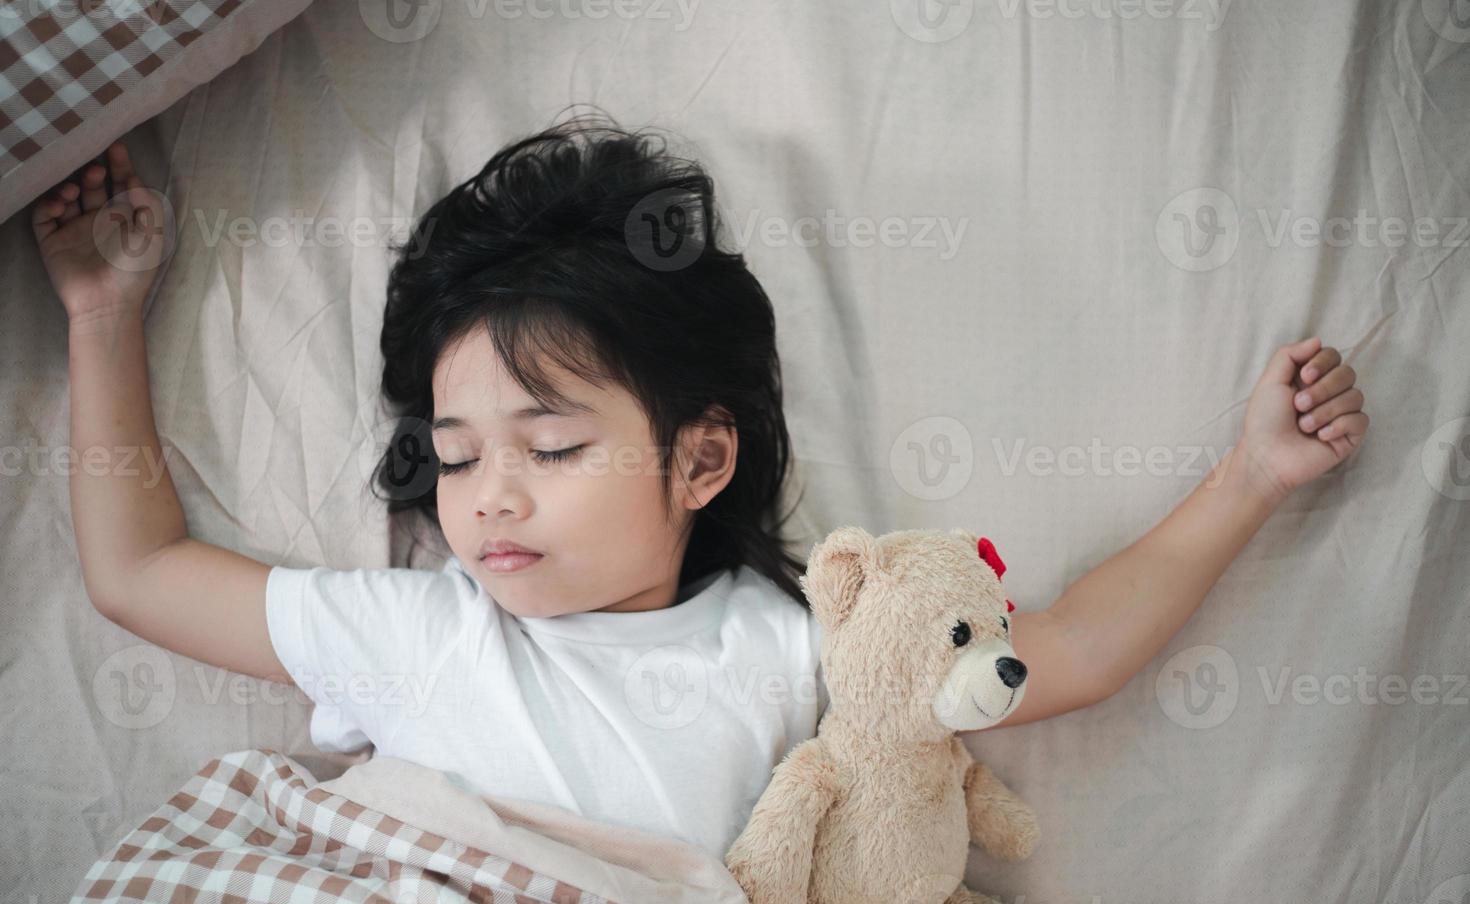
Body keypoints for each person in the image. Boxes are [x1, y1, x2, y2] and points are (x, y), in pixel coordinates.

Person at [31, 113, 1368, 861]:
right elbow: (137, 575)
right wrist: (103, 316)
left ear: (699, 459)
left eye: (549, 449)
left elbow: (1064, 651)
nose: (486, 497)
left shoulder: (789, 644)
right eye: (452, 454)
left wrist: (1250, 475)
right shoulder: (420, 633)